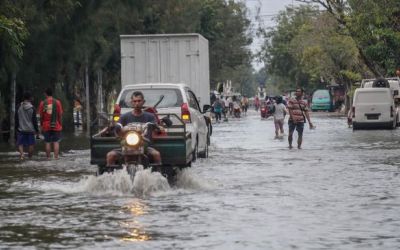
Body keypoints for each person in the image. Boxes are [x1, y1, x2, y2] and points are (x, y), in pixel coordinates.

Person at [106, 91, 161, 166]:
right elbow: (118, 124)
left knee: (156, 154)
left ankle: (158, 174)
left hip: (145, 145)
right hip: (127, 145)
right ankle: (110, 175)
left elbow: (156, 125)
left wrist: (155, 125)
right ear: (131, 102)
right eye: (134, 101)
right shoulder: (124, 116)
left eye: (139, 101)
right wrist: (116, 126)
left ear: (143, 102)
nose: (137, 103)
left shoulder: (150, 116)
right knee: (110, 156)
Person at [38, 88, 63, 159]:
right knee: (56, 142)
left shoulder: (43, 103)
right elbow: (60, 115)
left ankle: (48, 158)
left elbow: (41, 116)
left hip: (46, 125)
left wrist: (41, 125)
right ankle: (56, 157)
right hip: (56, 125)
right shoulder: (57, 102)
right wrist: (60, 124)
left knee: (47, 142)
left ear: (46, 94)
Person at [15, 92, 39, 159]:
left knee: (20, 143)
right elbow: (34, 121)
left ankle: (22, 154)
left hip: (21, 129)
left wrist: (16, 127)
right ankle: (30, 157)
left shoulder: (18, 106)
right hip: (30, 130)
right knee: (31, 144)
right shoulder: (33, 108)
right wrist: (37, 130)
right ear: (30, 98)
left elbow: (16, 118)